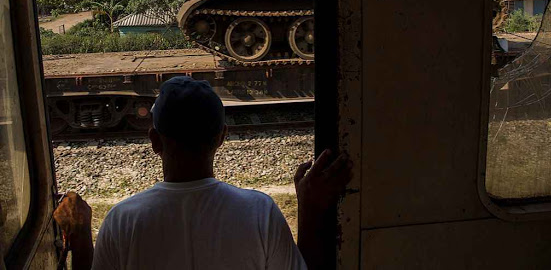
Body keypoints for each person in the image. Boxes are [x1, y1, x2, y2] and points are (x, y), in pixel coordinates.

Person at [54, 76, 352, 270]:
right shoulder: (260, 211)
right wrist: (311, 210)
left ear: (155, 140)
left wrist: (80, 237)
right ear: (222, 137)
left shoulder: (122, 219)